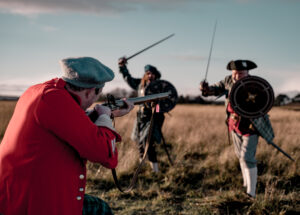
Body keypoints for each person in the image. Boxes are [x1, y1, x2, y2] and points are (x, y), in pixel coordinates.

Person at [0, 57, 134, 215]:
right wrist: (104, 118)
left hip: (19, 194)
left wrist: (108, 114)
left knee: (99, 208)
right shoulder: (56, 100)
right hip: (34, 201)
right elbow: (105, 155)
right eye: (97, 94)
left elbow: (68, 123)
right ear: (90, 90)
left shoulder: (40, 91)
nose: (94, 101)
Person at [200, 59, 274, 198]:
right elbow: (214, 89)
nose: (236, 76)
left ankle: (251, 194)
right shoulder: (228, 81)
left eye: (240, 73)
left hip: (251, 126)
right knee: (240, 156)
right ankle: (246, 185)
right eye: (234, 73)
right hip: (234, 124)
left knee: (247, 157)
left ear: (247, 72)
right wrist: (205, 89)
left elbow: (265, 100)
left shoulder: (255, 84)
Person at [118, 57, 165, 173]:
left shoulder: (160, 87)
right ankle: (141, 167)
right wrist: (122, 67)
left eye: (152, 74)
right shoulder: (140, 85)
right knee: (140, 142)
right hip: (141, 117)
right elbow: (128, 78)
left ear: (156, 75)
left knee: (147, 142)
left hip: (154, 117)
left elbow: (164, 102)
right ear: (145, 74)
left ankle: (155, 170)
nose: (150, 76)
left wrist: (157, 109)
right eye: (148, 73)